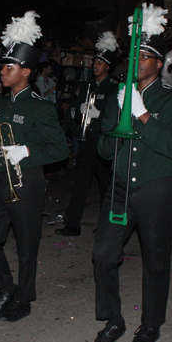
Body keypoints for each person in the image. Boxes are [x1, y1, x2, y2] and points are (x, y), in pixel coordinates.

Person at [90, 4, 172, 342]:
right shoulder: (118, 96)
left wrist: (142, 115)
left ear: (159, 63)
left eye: (145, 55)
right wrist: (117, 121)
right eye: (134, 54)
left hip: (157, 188)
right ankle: (113, 319)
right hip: (120, 186)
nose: (137, 61)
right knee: (103, 254)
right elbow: (104, 149)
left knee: (155, 260)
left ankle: (150, 324)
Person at [0, 11, 68, 323]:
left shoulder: (40, 108)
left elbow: (60, 149)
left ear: (26, 71)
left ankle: (24, 298)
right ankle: (5, 287)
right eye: (3, 66)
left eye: (9, 67)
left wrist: (26, 151)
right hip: (1, 181)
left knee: (27, 246)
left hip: (27, 181)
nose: (2, 72)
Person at [57, 32, 119, 237]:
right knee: (80, 184)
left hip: (102, 142)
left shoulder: (114, 88)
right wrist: (78, 112)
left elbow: (117, 118)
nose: (95, 65)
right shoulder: (86, 86)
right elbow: (73, 110)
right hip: (85, 140)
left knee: (105, 187)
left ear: (108, 66)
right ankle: (72, 224)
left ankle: (106, 226)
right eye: (95, 61)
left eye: (100, 62)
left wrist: (98, 115)